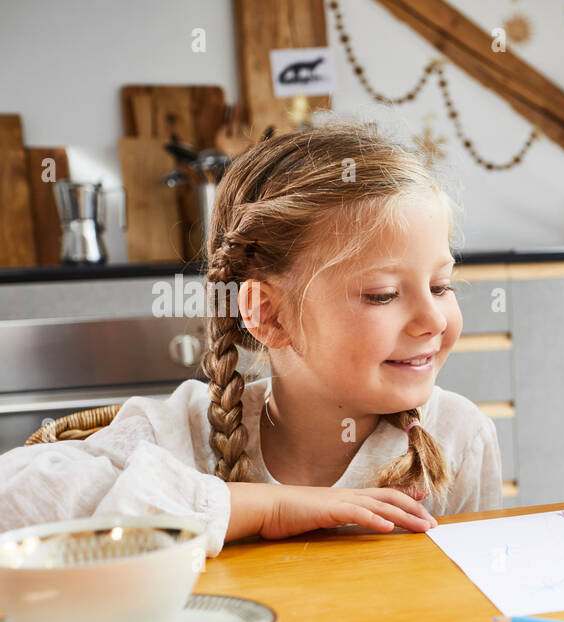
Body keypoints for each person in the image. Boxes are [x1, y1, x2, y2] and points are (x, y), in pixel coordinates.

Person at [0, 123, 501, 555]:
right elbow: (12, 502)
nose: (432, 319)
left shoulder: (459, 436)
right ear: (269, 315)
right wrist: (245, 506)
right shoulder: (180, 434)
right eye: (382, 294)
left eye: (441, 286)